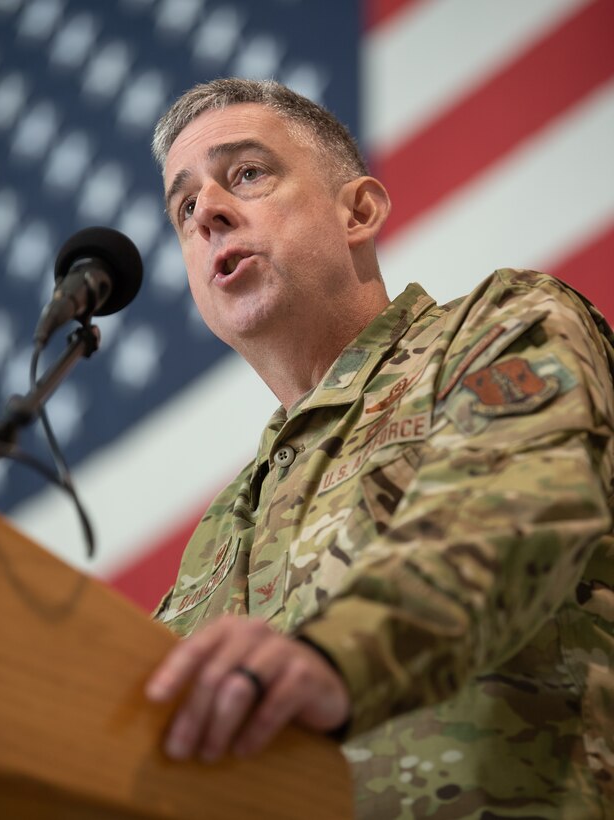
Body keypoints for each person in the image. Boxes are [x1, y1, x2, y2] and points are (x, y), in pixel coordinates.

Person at [144, 78, 614, 818]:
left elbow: (511, 517)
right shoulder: (218, 533)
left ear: (357, 210)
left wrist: (330, 657)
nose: (206, 212)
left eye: (246, 174)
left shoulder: (495, 326)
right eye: (183, 206)